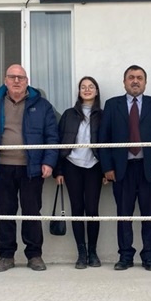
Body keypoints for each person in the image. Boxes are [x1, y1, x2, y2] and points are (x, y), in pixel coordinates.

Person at [0, 64, 58, 272]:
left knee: (31, 212)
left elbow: (52, 136)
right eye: (12, 77)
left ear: (27, 81)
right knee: (5, 213)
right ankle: (6, 256)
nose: (17, 81)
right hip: (1, 167)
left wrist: (49, 162)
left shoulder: (42, 105)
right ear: (5, 81)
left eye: (21, 77)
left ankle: (34, 255)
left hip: (31, 168)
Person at [99, 65, 151, 271]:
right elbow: (103, 138)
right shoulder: (112, 105)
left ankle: (149, 257)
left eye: (139, 78)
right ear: (124, 82)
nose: (135, 81)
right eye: (131, 77)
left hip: (149, 169)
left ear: (145, 82)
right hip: (122, 169)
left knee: (149, 215)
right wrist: (107, 167)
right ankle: (125, 256)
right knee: (124, 215)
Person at [55, 76, 104, 269]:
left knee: (92, 210)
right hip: (71, 165)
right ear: (79, 91)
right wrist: (59, 170)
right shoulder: (69, 114)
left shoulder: (103, 115)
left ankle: (93, 252)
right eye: (83, 87)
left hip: (94, 166)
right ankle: (81, 253)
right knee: (77, 209)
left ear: (96, 91)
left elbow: (109, 143)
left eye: (91, 86)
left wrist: (106, 171)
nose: (87, 89)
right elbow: (59, 142)